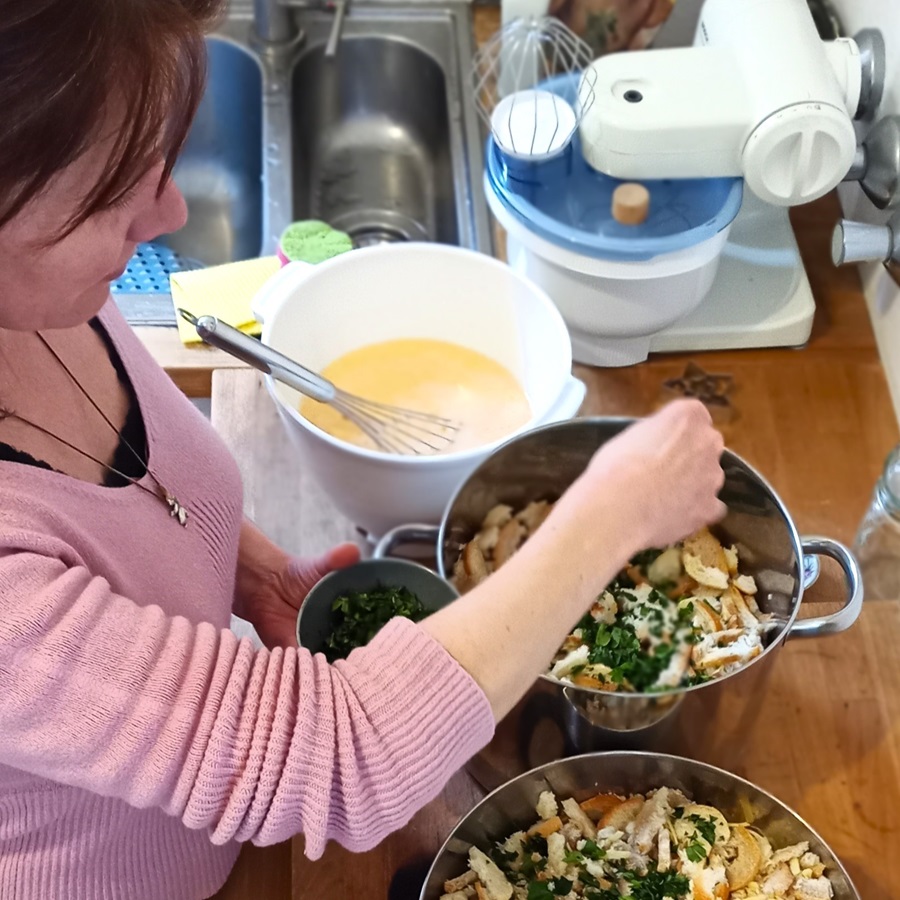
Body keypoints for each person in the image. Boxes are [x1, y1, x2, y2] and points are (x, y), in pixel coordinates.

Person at [0, 1, 726, 897]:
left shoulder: (42, 291)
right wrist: (612, 511)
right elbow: (339, 762)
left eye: (156, 159)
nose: (168, 211)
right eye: (110, 189)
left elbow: (128, 492)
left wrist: (243, 569)